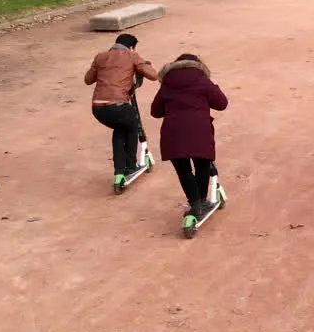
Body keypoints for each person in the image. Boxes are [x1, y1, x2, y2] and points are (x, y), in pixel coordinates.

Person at [151, 54, 228, 219]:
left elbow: (155, 112)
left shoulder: (166, 84)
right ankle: (200, 202)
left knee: (183, 170)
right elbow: (222, 104)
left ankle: (195, 204)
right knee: (202, 166)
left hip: (173, 133)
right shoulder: (202, 80)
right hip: (199, 131)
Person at [85, 33, 158, 179]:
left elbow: (88, 80)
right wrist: (142, 63)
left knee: (120, 129)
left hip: (98, 108)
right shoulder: (132, 56)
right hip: (119, 105)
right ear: (131, 47)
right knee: (132, 128)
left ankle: (119, 171)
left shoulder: (100, 56)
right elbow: (153, 75)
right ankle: (131, 166)